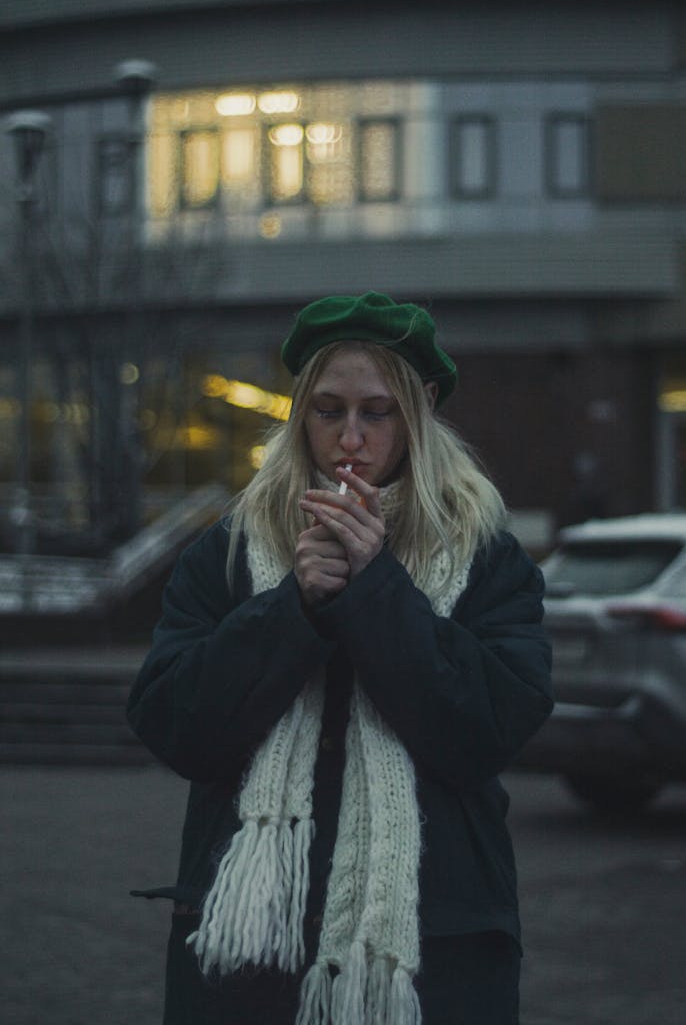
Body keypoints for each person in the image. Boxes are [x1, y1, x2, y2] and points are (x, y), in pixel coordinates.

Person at [127, 291, 554, 1025]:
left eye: (375, 412)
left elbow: (486, 730)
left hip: (429, 961)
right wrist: (294, 606)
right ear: (301, 414)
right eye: (328, 411)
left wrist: (375, 587)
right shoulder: (229, 552)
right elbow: (174, 724)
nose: (349, 438)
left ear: (417, 412)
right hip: (251, 966)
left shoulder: (484, 556)